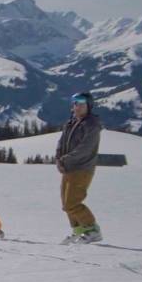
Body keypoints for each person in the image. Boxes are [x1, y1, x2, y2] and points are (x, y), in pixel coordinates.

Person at [55, 91, 103, 244]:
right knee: (66, 203)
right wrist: (59, 158)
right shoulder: (71, 123)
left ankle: (92, 229)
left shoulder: (92, 124)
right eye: (75, 102)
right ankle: (79, 230)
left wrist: (66, 159)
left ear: (89, 105)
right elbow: (61, 143)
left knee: (72, 202)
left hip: (82, 168)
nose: (77, 106)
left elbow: (85, 148)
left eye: (81, 103)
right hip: (68, 167)